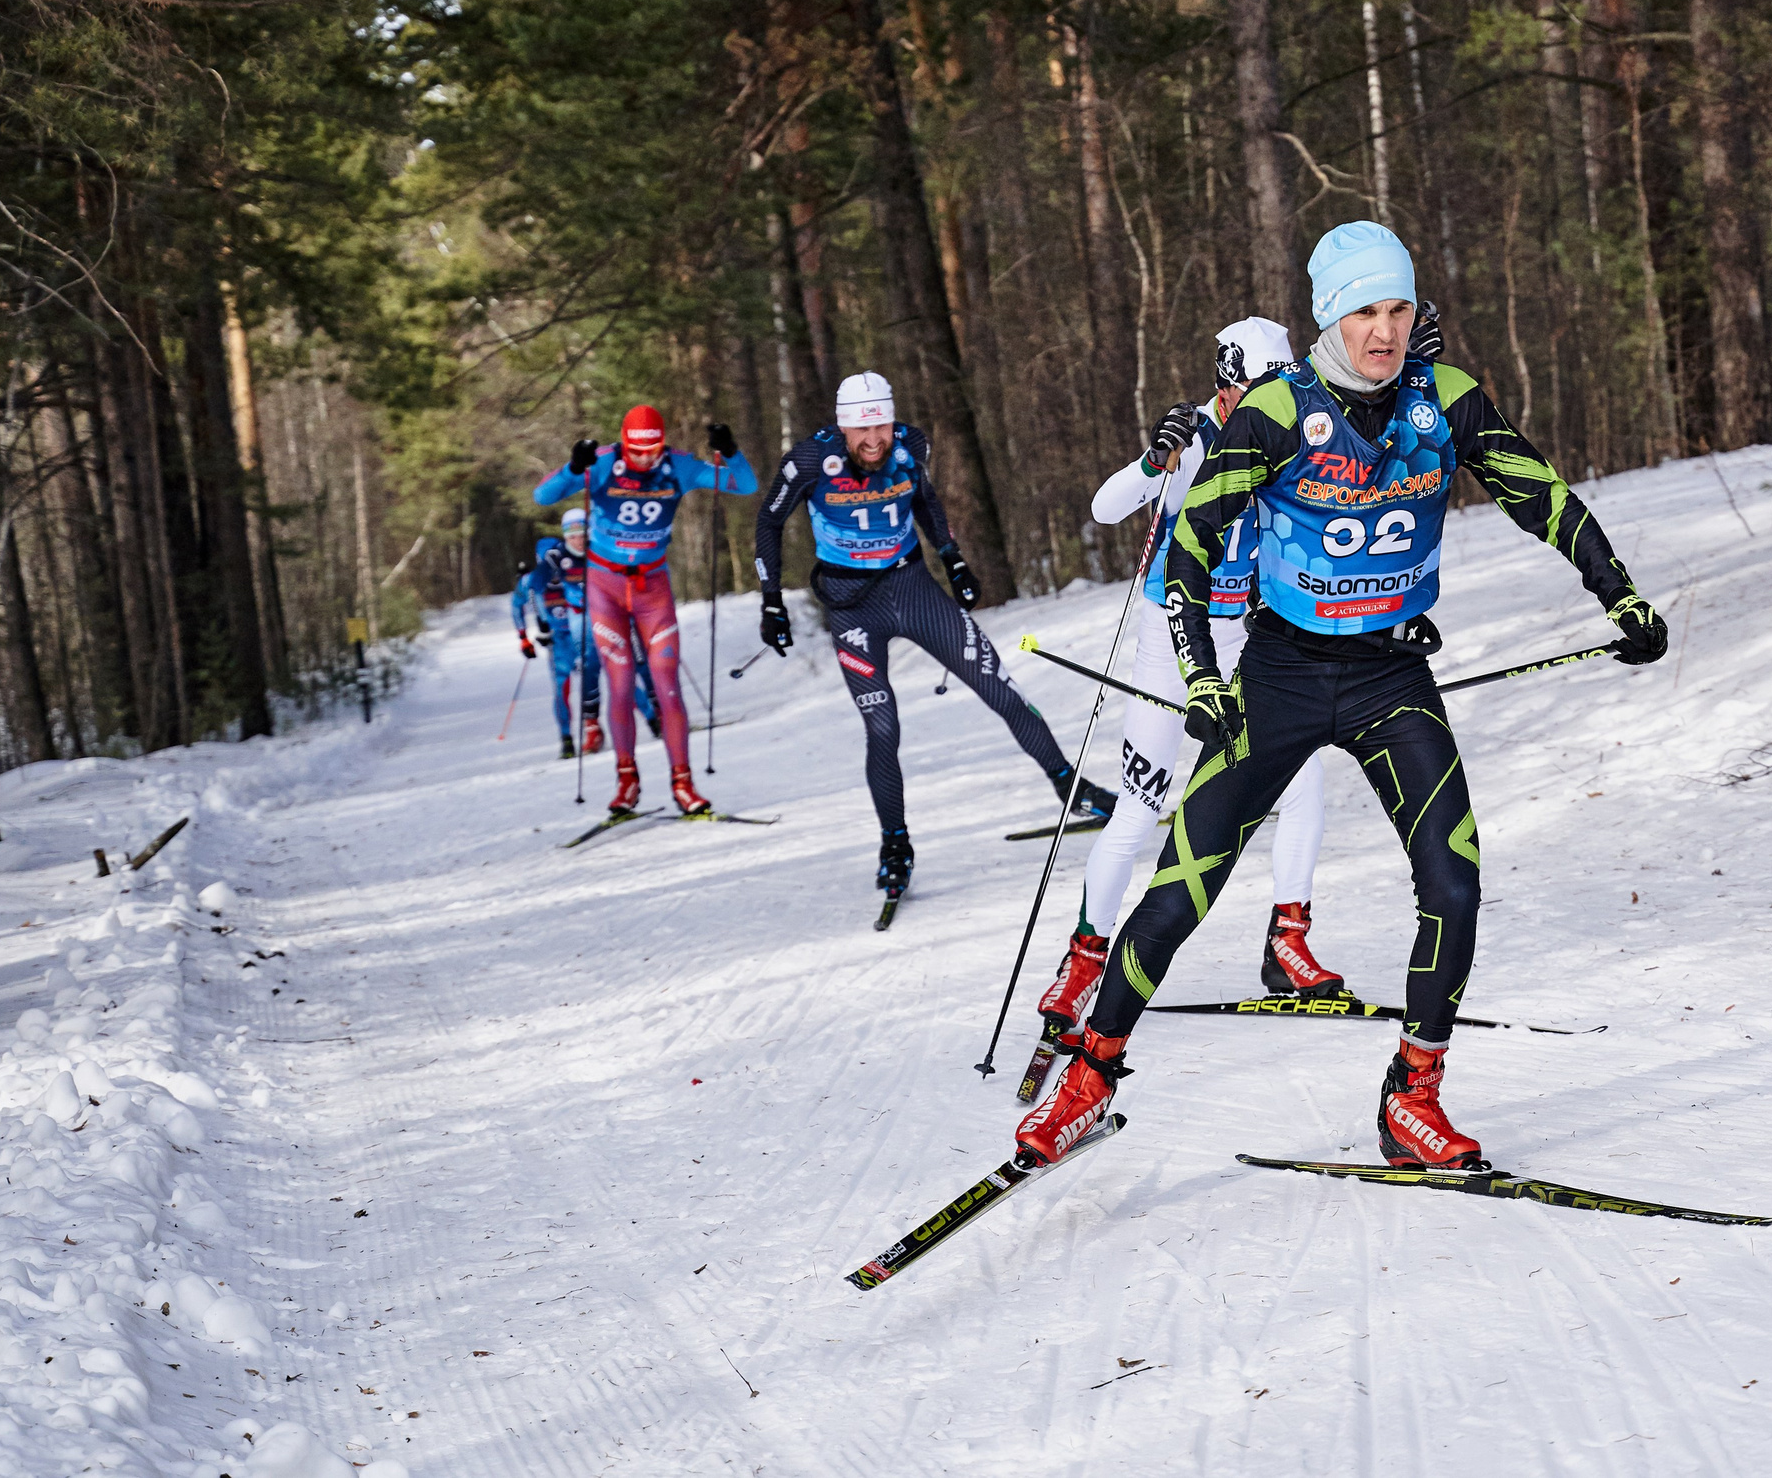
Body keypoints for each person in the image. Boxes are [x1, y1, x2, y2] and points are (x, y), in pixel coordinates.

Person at [1014, 222, 1667, 1172]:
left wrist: (1618, 591)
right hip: (1278, 678)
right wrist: (1200, 675)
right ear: (1330, 315)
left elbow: (1544, 497)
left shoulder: (1446, 402)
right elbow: (1190, 549)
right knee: (1181, 889)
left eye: (1399, 307)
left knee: (1455, 883)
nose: (1384, 329)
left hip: (1391, 679)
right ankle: (1088, 1074)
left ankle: (1413, 1098)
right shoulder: (1275, 411)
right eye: (1365, 309)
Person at [1027, 319, 1335, 1068]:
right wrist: (1150, 459)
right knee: (1142, 805)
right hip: (1172, 639)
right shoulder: (1193, 435)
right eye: (1252, 390)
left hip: (1244, 637)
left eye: (1279, 387)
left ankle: (1287, 942)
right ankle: (1084, 960)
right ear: (1225, 384)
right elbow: (1104, 509)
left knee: (1303, 781)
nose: (1268, 402)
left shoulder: (1301, 427)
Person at [751, 372, 1116, 903]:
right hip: (853, 606)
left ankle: (1072, 790)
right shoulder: (809, 462)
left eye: (882, 426)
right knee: (883, 726)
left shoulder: (910, 445)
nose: (874, 441)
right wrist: (770, 600)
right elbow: (768, 522)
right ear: (843, 426)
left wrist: (954, 558)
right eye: (861, 430)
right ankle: (895, 844)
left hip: (913, 589)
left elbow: (925, 498)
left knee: (998, 685)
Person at [533, 407, 755, 815]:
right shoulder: (602, 464)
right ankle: (627, 781)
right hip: (605, 588)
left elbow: (743, 484)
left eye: (652, 450)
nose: (645, 459)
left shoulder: (678, 466)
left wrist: (730, 451)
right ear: (623, 442)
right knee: (619, 685)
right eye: (636, 450)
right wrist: (573, 467)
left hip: (652, 588)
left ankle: (683, 783)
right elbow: (543, 495)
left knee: (666, 684)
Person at [511, 507, 657, 758]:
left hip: (591, 627)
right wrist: (530, 633)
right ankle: (568, 739)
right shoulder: (536, 578)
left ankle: (654, 720)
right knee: (564, 688)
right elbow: (521, 603)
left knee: (619, 674)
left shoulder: (582, 562)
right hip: (561, 640)